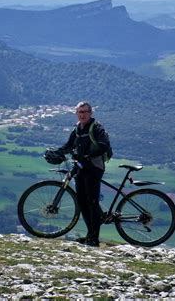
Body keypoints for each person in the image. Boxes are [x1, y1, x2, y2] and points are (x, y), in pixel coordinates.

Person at [58, 101, 111, 247]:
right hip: (81, 167)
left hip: (94, 167)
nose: (82, 114)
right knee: (82, 202)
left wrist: (88, 155)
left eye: (85, 112)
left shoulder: (97, 128)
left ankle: (94, 238)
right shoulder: (77, 128)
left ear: (91, 113)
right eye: (79, 112)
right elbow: (69, 145)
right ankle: (90, 235)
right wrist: (58, 151)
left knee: (92, 202)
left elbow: (104, 145)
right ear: (76, 113)